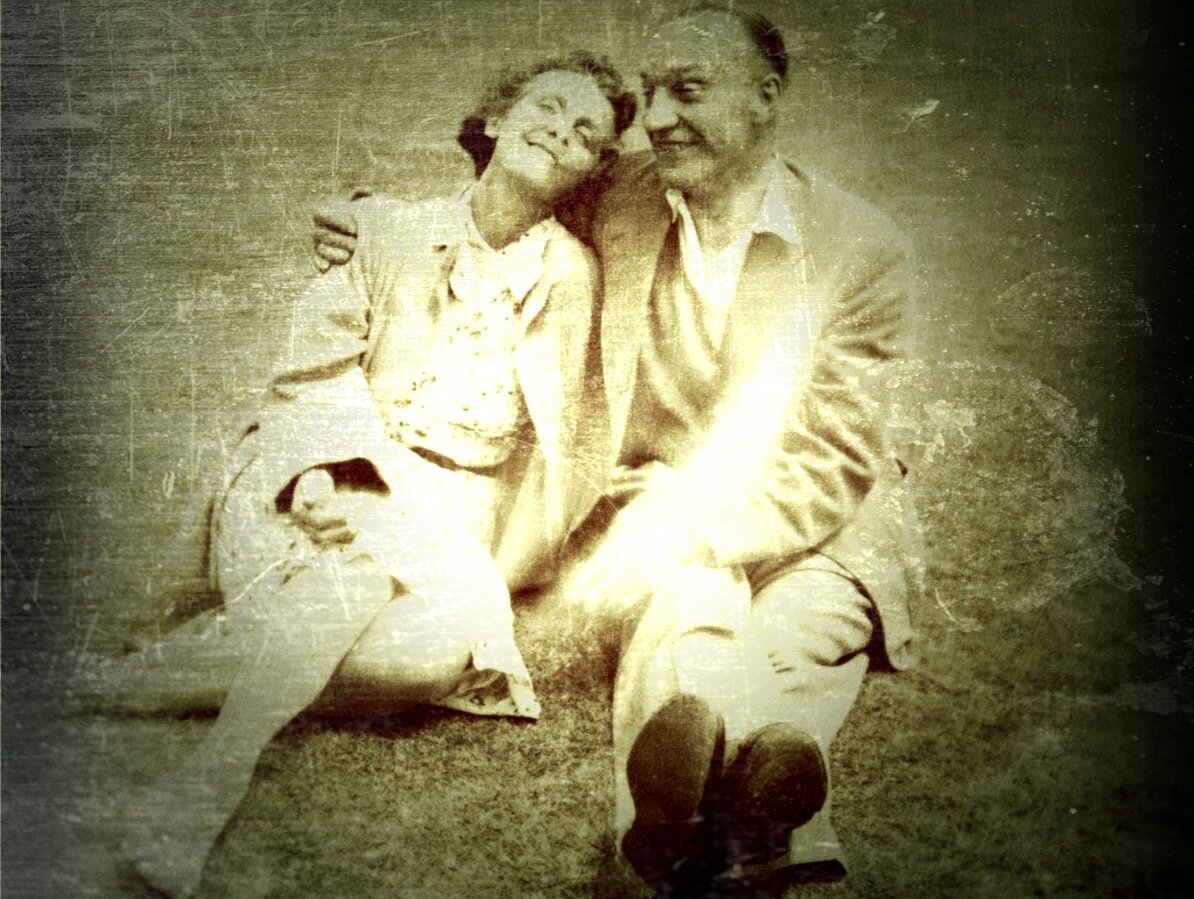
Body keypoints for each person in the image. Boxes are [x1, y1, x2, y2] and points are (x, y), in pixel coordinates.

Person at [315, 7, 924, 895]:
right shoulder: (625, 191)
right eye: (651, 94)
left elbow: (833, 460)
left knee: (791, 632)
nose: (660, 118)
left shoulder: (860, 250)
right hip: (664, 500)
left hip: (825, 525)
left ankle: (686, 834)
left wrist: (696, 525)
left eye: (690, 90)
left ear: (765, 97)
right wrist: (368, 220)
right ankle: (758, 831)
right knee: (688, 612)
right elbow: (504, 191)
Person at [79, 52, 636, 898]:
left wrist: (504, 549)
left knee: (425, 661)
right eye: (548, 107)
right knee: (362, 566)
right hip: (320, 475)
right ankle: (211, 779)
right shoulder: (386, 231)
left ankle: (139, 679)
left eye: (586, 132)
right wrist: (321, 475)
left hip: (452, 509)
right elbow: (313, 376)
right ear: (494, 120)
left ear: (592, 169)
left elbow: (562, 434)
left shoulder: (571, 276)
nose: (562, 130)